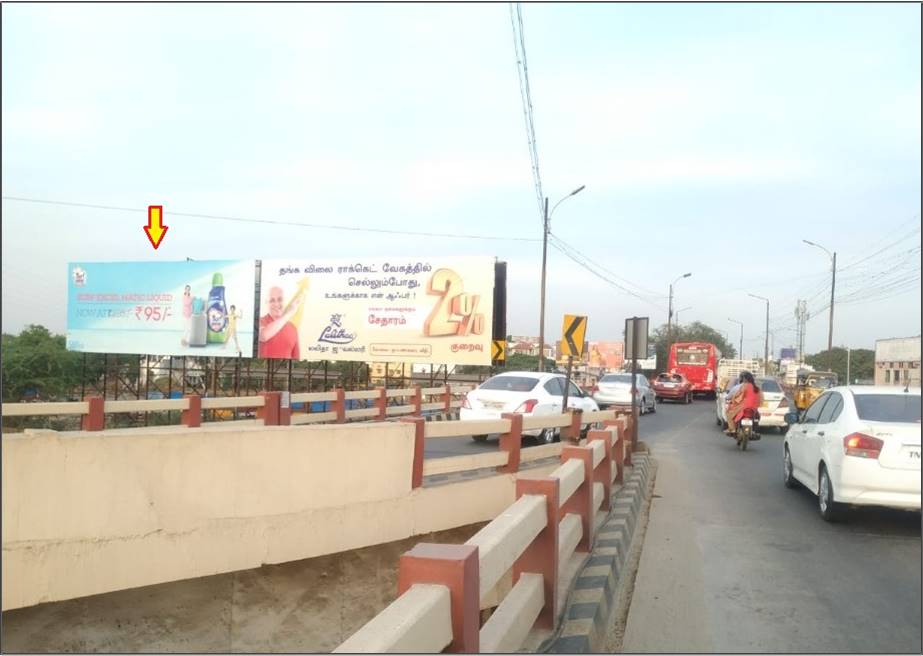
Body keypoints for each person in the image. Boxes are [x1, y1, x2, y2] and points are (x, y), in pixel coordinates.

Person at [259, 286, 303, 359]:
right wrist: (289, 313)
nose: (276, 304)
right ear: (266, 302)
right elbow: (264, 336)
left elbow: (296, 358)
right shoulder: (259, 321)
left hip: (283, 370)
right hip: (262, 368)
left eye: (280, 300)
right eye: (272, 300)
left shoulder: (293, 328)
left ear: (285, 301)